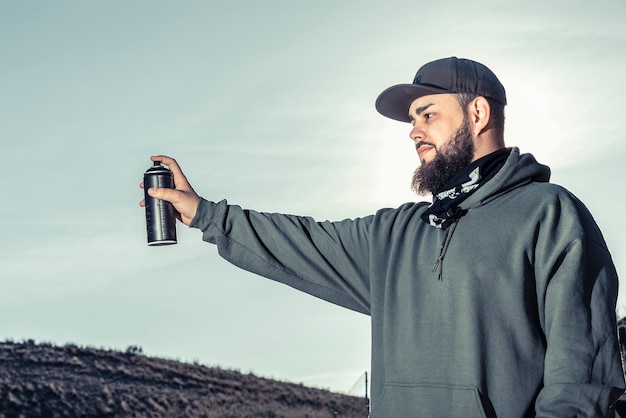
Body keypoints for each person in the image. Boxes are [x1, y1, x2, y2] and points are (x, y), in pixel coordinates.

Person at [140, 57, 625, 417]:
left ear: (478, 113)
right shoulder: (395, 234)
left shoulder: (550, 214)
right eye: (411, 120)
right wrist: (204, 213)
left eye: (427, 114)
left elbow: (583, 378)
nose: (413, 131)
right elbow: (301, 242)